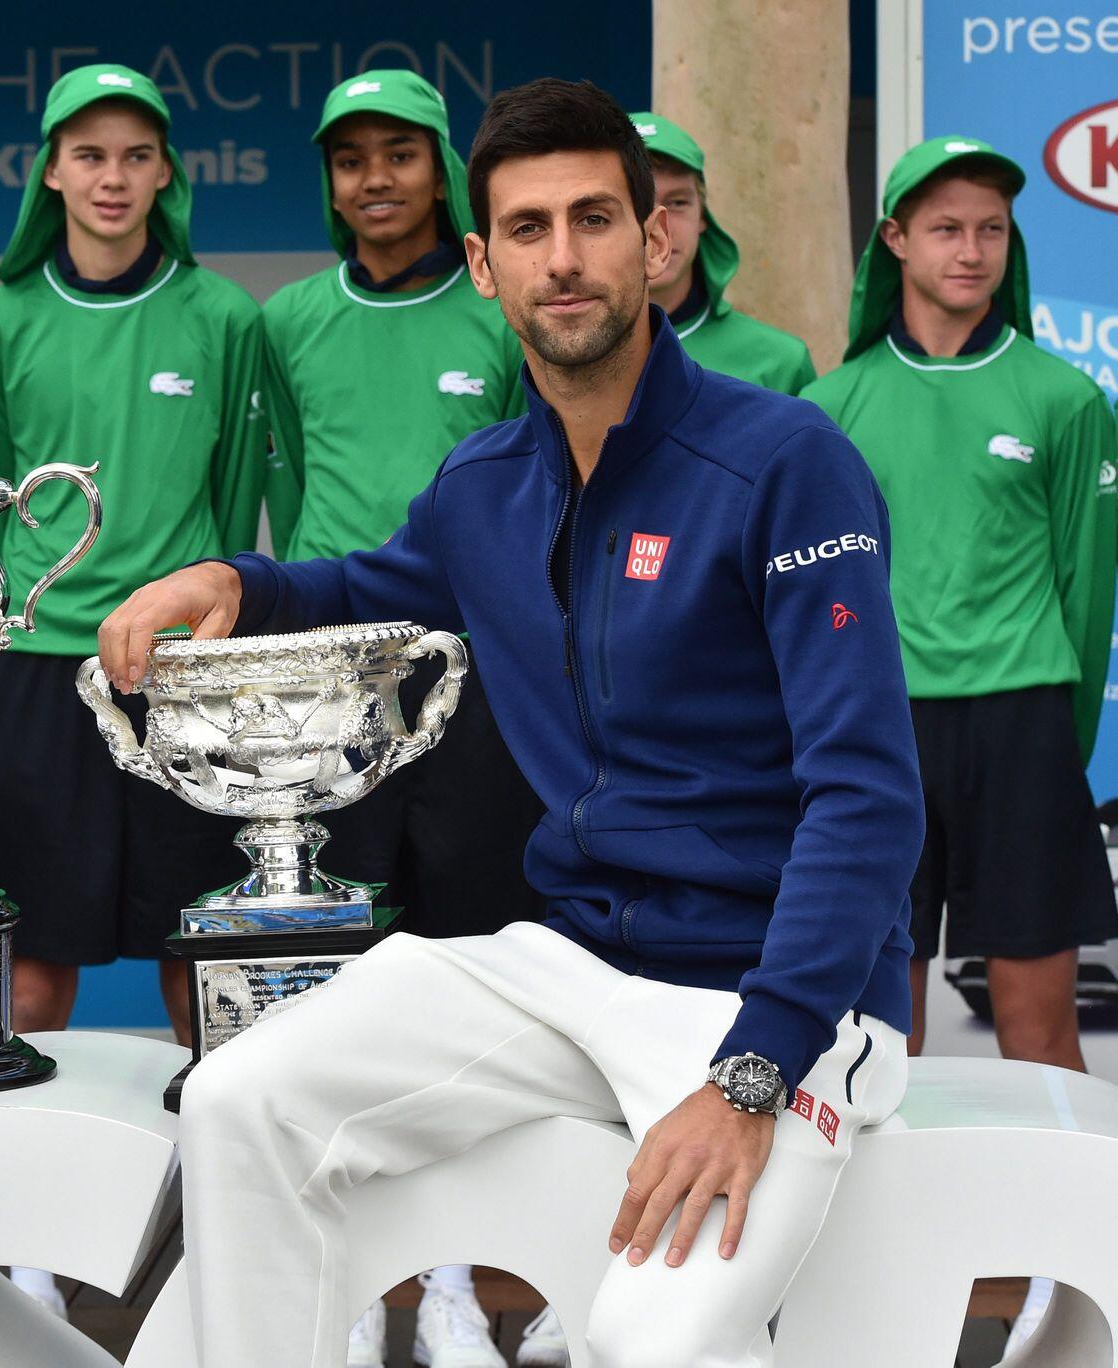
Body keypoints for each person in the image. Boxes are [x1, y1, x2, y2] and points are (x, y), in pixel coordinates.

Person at [98, 78, 922, 1368]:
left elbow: (865, 795)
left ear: (655, 239)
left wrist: (754, 1071)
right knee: (238, 1098)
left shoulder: (783, 462)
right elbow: (367, 588)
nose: (563, 258)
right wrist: (233, 581)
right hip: (571, 964)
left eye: (593, 219)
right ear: (483, 264)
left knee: (650, 1344)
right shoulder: (481, 484)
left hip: (781, 1005)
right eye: (527, 229)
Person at [803, 136, 1118, 1357]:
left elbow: (1083, 596)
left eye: (989, 228)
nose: (969, 251)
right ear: (892, 240)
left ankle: (1067, 1281)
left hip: (1021, 729)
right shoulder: (831, 407)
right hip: (877, 739)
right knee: (883, 1039)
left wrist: (1051, 746)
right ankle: (895, 1287)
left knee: (1039, 1030)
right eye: (943, 228)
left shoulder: (1060, 397)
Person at [0, 60, 268, 1319]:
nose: (110, 177)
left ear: (163, 174)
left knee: (199, 957)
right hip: (46, 673)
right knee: (36, 959)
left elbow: (241, 496)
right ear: (50, 172)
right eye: (86, 154)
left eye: (134, 155)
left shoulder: (221, 317)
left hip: (186, 679)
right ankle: (29, 1251)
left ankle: (222, 1241)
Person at [257, 69, 544, 1368]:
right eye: (350, 158)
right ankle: (343, 1279)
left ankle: (450, 1283)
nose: (374, 178)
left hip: (477, 682)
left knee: (469, 970)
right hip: (334, 686)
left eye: (399, 154)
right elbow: (277, 484)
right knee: (335, 978)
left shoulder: (495, 311)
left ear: (442, 173)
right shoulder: (290, 320)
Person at [627, 112, 817, 395]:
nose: (659, 227)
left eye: (677, 203)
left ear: (703, 216)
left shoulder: (780, 363)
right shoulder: (564, 353)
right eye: (638, 204)